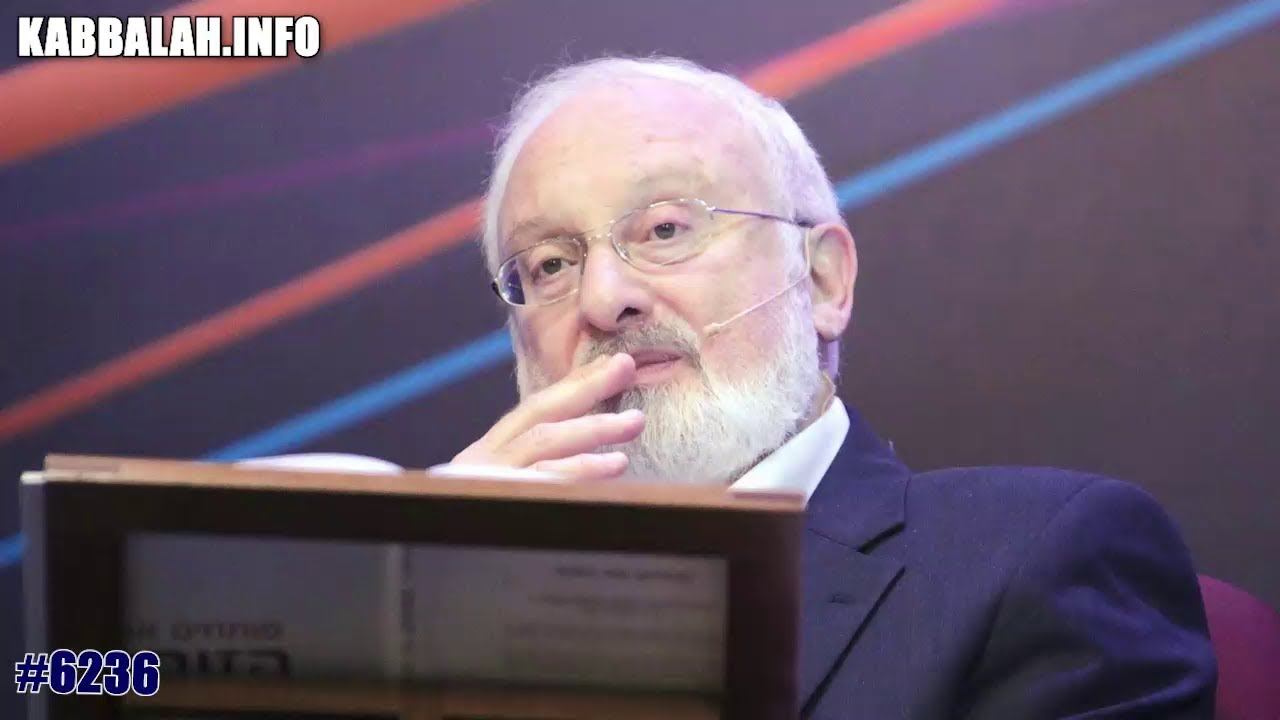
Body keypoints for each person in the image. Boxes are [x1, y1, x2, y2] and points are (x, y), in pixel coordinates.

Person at [449, 55, 1217, 717]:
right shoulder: (459, 616)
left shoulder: (1037, 558)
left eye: (665, 230)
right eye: (550, 265)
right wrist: (418, 603)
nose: (602, 299)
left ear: (820, 280)